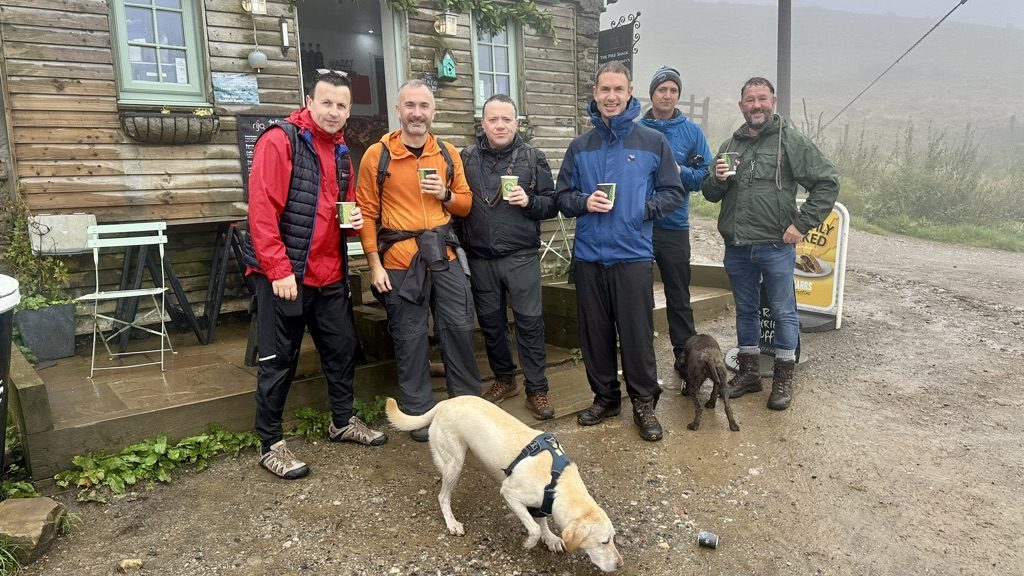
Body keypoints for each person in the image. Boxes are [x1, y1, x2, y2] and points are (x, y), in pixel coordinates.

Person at [243, 69, 387, 481]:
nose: (334, 111)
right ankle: (270, 443)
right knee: (278, 360)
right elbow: (262, 210)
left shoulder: (342, 151)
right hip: (286, 275)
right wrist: (278, 269)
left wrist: (352, 220)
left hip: (329, 274)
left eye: (342, 105)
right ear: (309, 101)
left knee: (341, 349)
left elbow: (335, 213)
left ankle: (341, 421)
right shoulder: (280, 139)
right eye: (327, 102)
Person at [555, 61, 685, 441]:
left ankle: (643, 403)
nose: (611, 97)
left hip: (632, 253)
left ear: (630, 93)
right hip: (590, 256)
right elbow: (562, 197)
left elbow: (673, 192)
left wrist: (641, 211)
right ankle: (605, 397)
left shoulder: (651, 142)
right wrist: (583, 202)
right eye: (604, 90)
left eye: (618, 90)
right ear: (594, 94)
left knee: (636, 334)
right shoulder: (580, 147)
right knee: (594, 334)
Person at [701, 77, 839, 410]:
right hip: (737, 246)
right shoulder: (730, 146)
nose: (756, 105)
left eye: (762, 99)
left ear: (773, 102)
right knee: (746, 311)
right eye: (750, 100)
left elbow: (827, 182)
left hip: (775, 246)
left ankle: (782, 379)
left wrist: (801, 225)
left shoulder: (789, 141)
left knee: (783, 312)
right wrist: (716, 178)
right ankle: (748, 374)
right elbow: (709, 193)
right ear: (741, 106)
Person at [356, 79, 481, 442]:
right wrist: (374, 265)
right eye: (409, 105)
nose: (416, 113)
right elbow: (365, 212)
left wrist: (444, 193)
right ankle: (417, 412)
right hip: (399, 258)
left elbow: (466, 203)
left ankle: (467, 409)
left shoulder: (446, 153)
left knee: (458, 328)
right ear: (398, 110)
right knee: (410, 336)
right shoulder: (377, 155)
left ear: (433, 111)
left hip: (444, 252)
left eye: (423, 106)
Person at [456, 94, 559, 420]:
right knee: (491, 324)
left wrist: (528, 201)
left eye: (506, 119)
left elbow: (551, 205)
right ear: (482, 123)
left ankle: (537, 389)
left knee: (529, 323)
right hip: (480, 257)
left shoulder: (533, 157)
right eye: (493, 119)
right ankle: (504, 380)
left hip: (521, 256)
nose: (500, 125)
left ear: (517, 123)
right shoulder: (465, 158)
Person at [637, 65, 713, 375]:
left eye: (673, 90)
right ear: (652, 93)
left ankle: (686, 362)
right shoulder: (636, 129)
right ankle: (642, 362)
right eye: (661, 89)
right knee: (639, 296)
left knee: (679, 296)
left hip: (674, 226)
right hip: (640, 226)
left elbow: (707, 178)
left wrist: (683, 173)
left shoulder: (692, 132)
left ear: (677, 95)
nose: (667, 95)